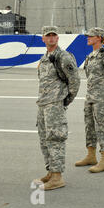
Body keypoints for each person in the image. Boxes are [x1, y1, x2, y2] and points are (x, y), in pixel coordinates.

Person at [34, 26, 80, 190]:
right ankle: (51, 171)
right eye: (48, 36)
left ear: (57, 38)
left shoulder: (63, 56)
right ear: (43, 39)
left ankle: (58, 177)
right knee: (44, 139)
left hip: (55, 104)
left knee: (55, 138)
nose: (51, 38)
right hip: (43, 103)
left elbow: (74, 80)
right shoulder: (45, 57)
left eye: (54, 35)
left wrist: (66, 100)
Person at [75, 27, 104, 173]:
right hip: (90, 96)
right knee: (89, 126)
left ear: (99, 37)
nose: (88, 38)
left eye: (91, 36)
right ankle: (91, 155)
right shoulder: (90, 56)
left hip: (101, 97)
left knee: (102, 127)